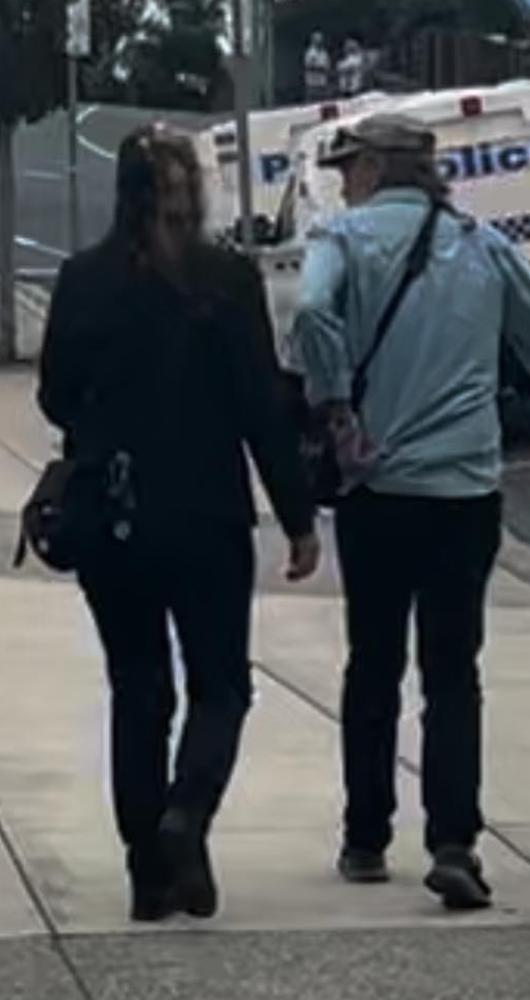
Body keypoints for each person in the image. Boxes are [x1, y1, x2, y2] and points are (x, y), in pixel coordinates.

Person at [287, 113, 530, 910]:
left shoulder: (343, 238)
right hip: (463, 492)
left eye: (349, 164)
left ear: (378, 169)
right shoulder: (482, 246)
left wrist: (335, 403)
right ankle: (454, 839)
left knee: (373, 663)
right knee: (453, 671)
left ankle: (365, 836)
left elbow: (311, 314)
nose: (343, 177)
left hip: (376, 489)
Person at [38, 124, 319, 922]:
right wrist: (297, 516)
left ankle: (147, 875)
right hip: (207, 514)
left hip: (113, 513)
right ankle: (186, 814)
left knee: (137, 686)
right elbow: (262, 408)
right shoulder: (225, 280)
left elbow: (54, 393)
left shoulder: (82, 280)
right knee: (220, 683)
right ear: (193, 194)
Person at [304, 30, 332, 103]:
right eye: (317, 39)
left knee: (323, 103)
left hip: (323, 83)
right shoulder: (310, 52)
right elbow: (308, 66)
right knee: (312, 104)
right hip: (312, 84)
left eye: (320, 39)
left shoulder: (324, 53)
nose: (319, 41)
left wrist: (326, 70)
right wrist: (320, 68)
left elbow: (328, 66)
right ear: (313, 40)